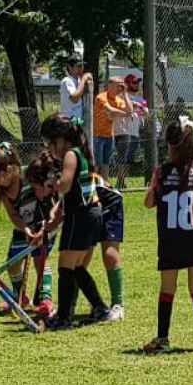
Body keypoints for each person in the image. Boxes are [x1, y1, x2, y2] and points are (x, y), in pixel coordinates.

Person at [141, 117, 193, 353]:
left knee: (167, 289)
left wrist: (154, 185)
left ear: (169, 146)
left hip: (170, 239)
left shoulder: (161, 172)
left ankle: (163, 339)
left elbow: (148, 203)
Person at [40, 115, 113, 330]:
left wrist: (53, 181)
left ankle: (64, 317)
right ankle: (100, 308)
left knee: (66, 267)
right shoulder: (80, 153)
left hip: (81, 215)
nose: (50, 148)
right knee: (78, 267)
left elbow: (64, 185)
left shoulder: (71, 155)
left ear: (62, 139)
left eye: (50, 143)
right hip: (90, 214)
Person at [0, 144, 59, 321]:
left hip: (44, 225)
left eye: (0, 176)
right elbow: (13, 215)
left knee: (40, 260)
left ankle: (46, 299)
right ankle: (20, 296)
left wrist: (41, 229)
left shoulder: (28, 178)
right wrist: (25, 229)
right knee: (13, 264)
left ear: (12, 168)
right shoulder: (4, 192)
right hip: (23, 229)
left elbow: (47, 198)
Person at [92, 172, 126, 322]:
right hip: (90, 208)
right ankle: (69, 307)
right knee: (77, 257)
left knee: (109, 254)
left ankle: (118, 304)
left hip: (109, 205)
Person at [93, 76, 131, 181]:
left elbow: (130, 110)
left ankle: (105, 187)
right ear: (110, 86)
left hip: (109, 136)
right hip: (97, 136)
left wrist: (125, 94)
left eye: (122, 86)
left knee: (106, 164)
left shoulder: (119, 100)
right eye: (119, 85)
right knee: (97, 164)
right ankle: (91, 188)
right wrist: (125, 113)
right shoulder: (101, 97)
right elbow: (110, 110)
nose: (121, 87)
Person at [122, 73, 146, 189]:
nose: (137, 85)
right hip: (123, 131)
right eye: (134, 82)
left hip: (135, 132)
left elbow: (143, 115)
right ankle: (121, 181)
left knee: (130, 160)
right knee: (123, 159)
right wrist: (134, 104)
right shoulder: (122, 96)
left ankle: (122, 181)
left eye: (138, 82)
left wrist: (145, 112)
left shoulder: (140, 99)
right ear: (127, 84)